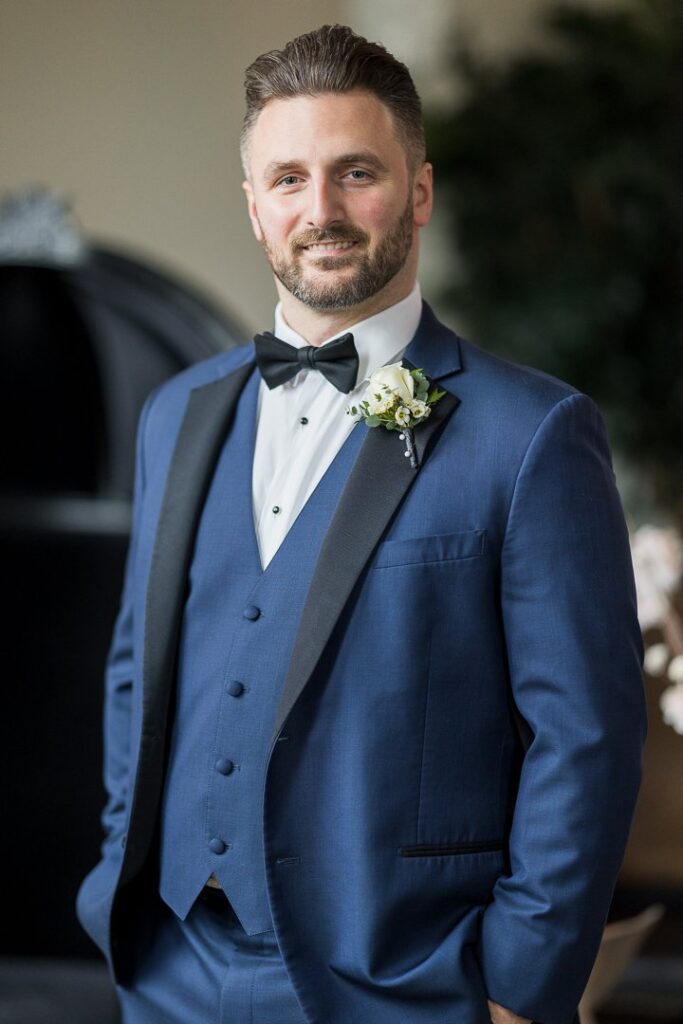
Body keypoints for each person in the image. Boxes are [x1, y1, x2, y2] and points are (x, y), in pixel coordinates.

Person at [76, 23, 646, 1024]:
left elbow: (583, 736)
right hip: (173, 974)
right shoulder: (177, 411)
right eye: (288, 179)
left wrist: (521, 984)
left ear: (418, 192)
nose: (321, 211)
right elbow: (136, 674)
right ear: (255, 208)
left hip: (405, 983)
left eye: (355, 173)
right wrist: (117, 881)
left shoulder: (534, 434)